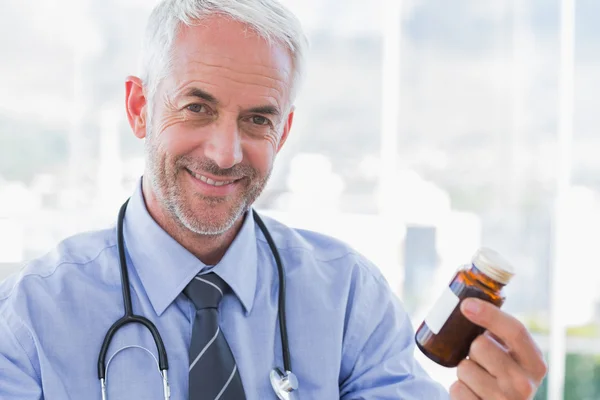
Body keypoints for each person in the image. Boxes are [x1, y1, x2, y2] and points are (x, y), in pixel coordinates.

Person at [0, 0, 547, 398]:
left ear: (283, 133)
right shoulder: (29, 317)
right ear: (140, 107)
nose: (223, 152)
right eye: (197, 107)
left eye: (257, 119)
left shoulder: (348, 300)